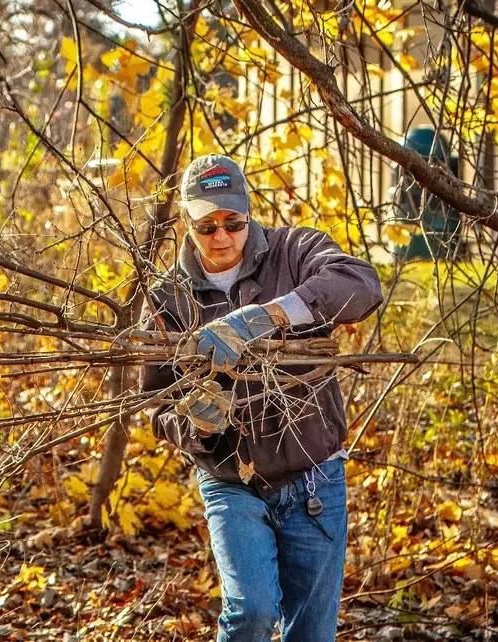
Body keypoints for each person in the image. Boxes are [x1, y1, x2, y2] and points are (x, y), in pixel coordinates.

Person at [139, 155, 383, 642]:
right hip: (230, 482)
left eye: (233, 222)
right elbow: (156, 403)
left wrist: (267, 315)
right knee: (250, 613)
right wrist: (196, 425)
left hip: (315, 477)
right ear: (188, 225)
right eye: (207, 226)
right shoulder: (168, 298)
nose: (222, 236)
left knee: (311, 633)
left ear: (248, 212)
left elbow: (361, 286)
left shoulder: (295, 250)